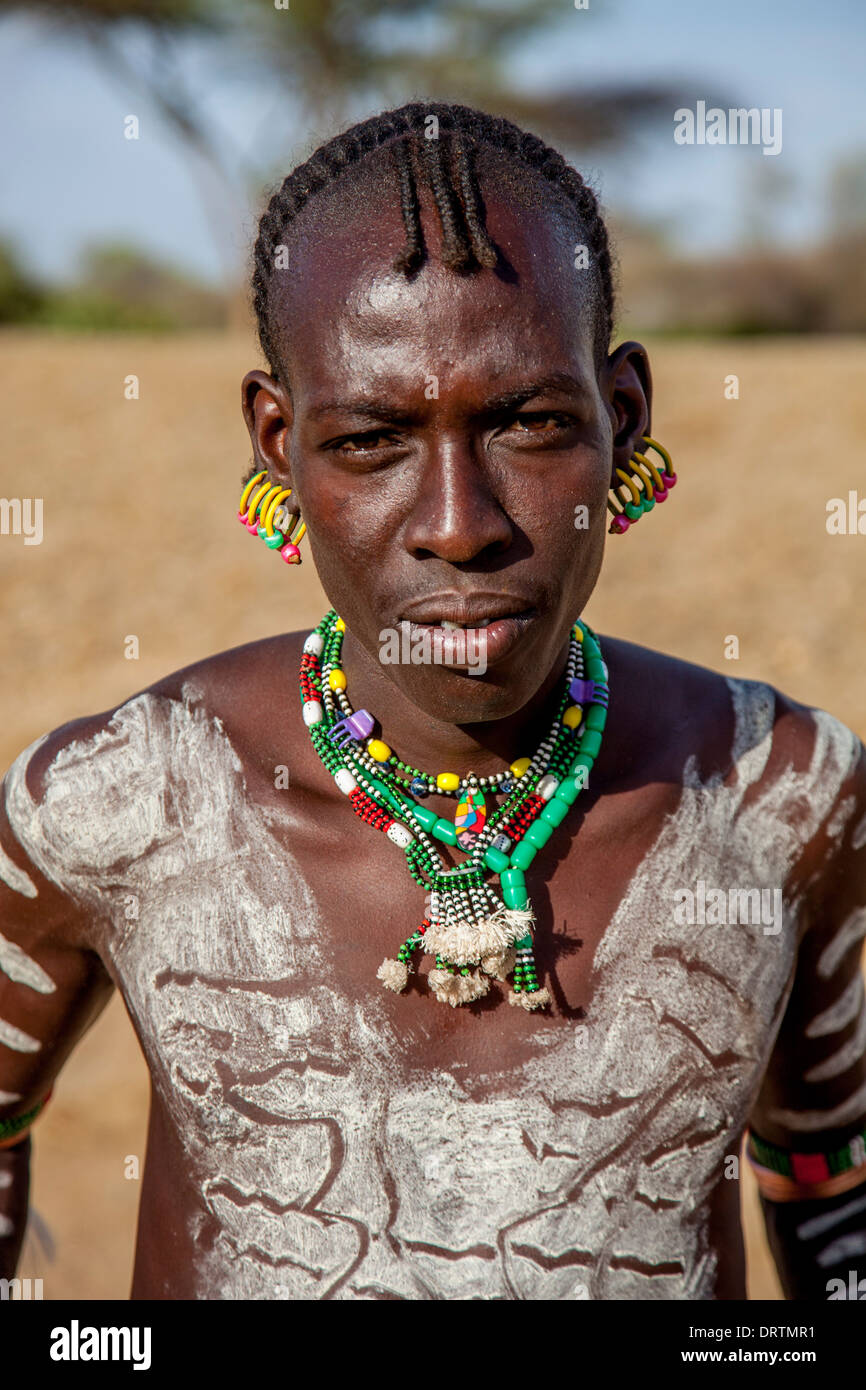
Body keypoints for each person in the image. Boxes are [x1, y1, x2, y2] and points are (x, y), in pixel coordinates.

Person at [1, 102, 865, 1302]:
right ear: (276, 442)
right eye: (368, 440)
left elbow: (830, 1178)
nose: (457, 523)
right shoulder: (117, 801)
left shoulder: (783, 792)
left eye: (529, 422)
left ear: (622, 419)